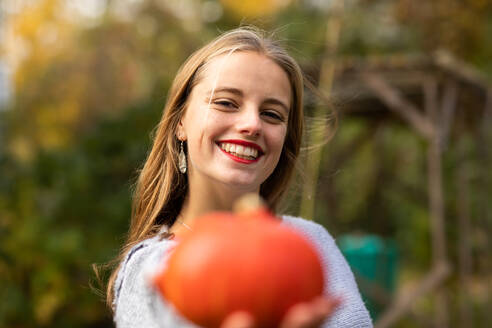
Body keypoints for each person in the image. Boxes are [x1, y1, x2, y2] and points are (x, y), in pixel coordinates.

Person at [107, 26, 372, 328]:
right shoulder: (153, 270)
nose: (251, 124)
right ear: (181, 120)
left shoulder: (312, 243)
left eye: (272, 114)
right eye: (226, 103)